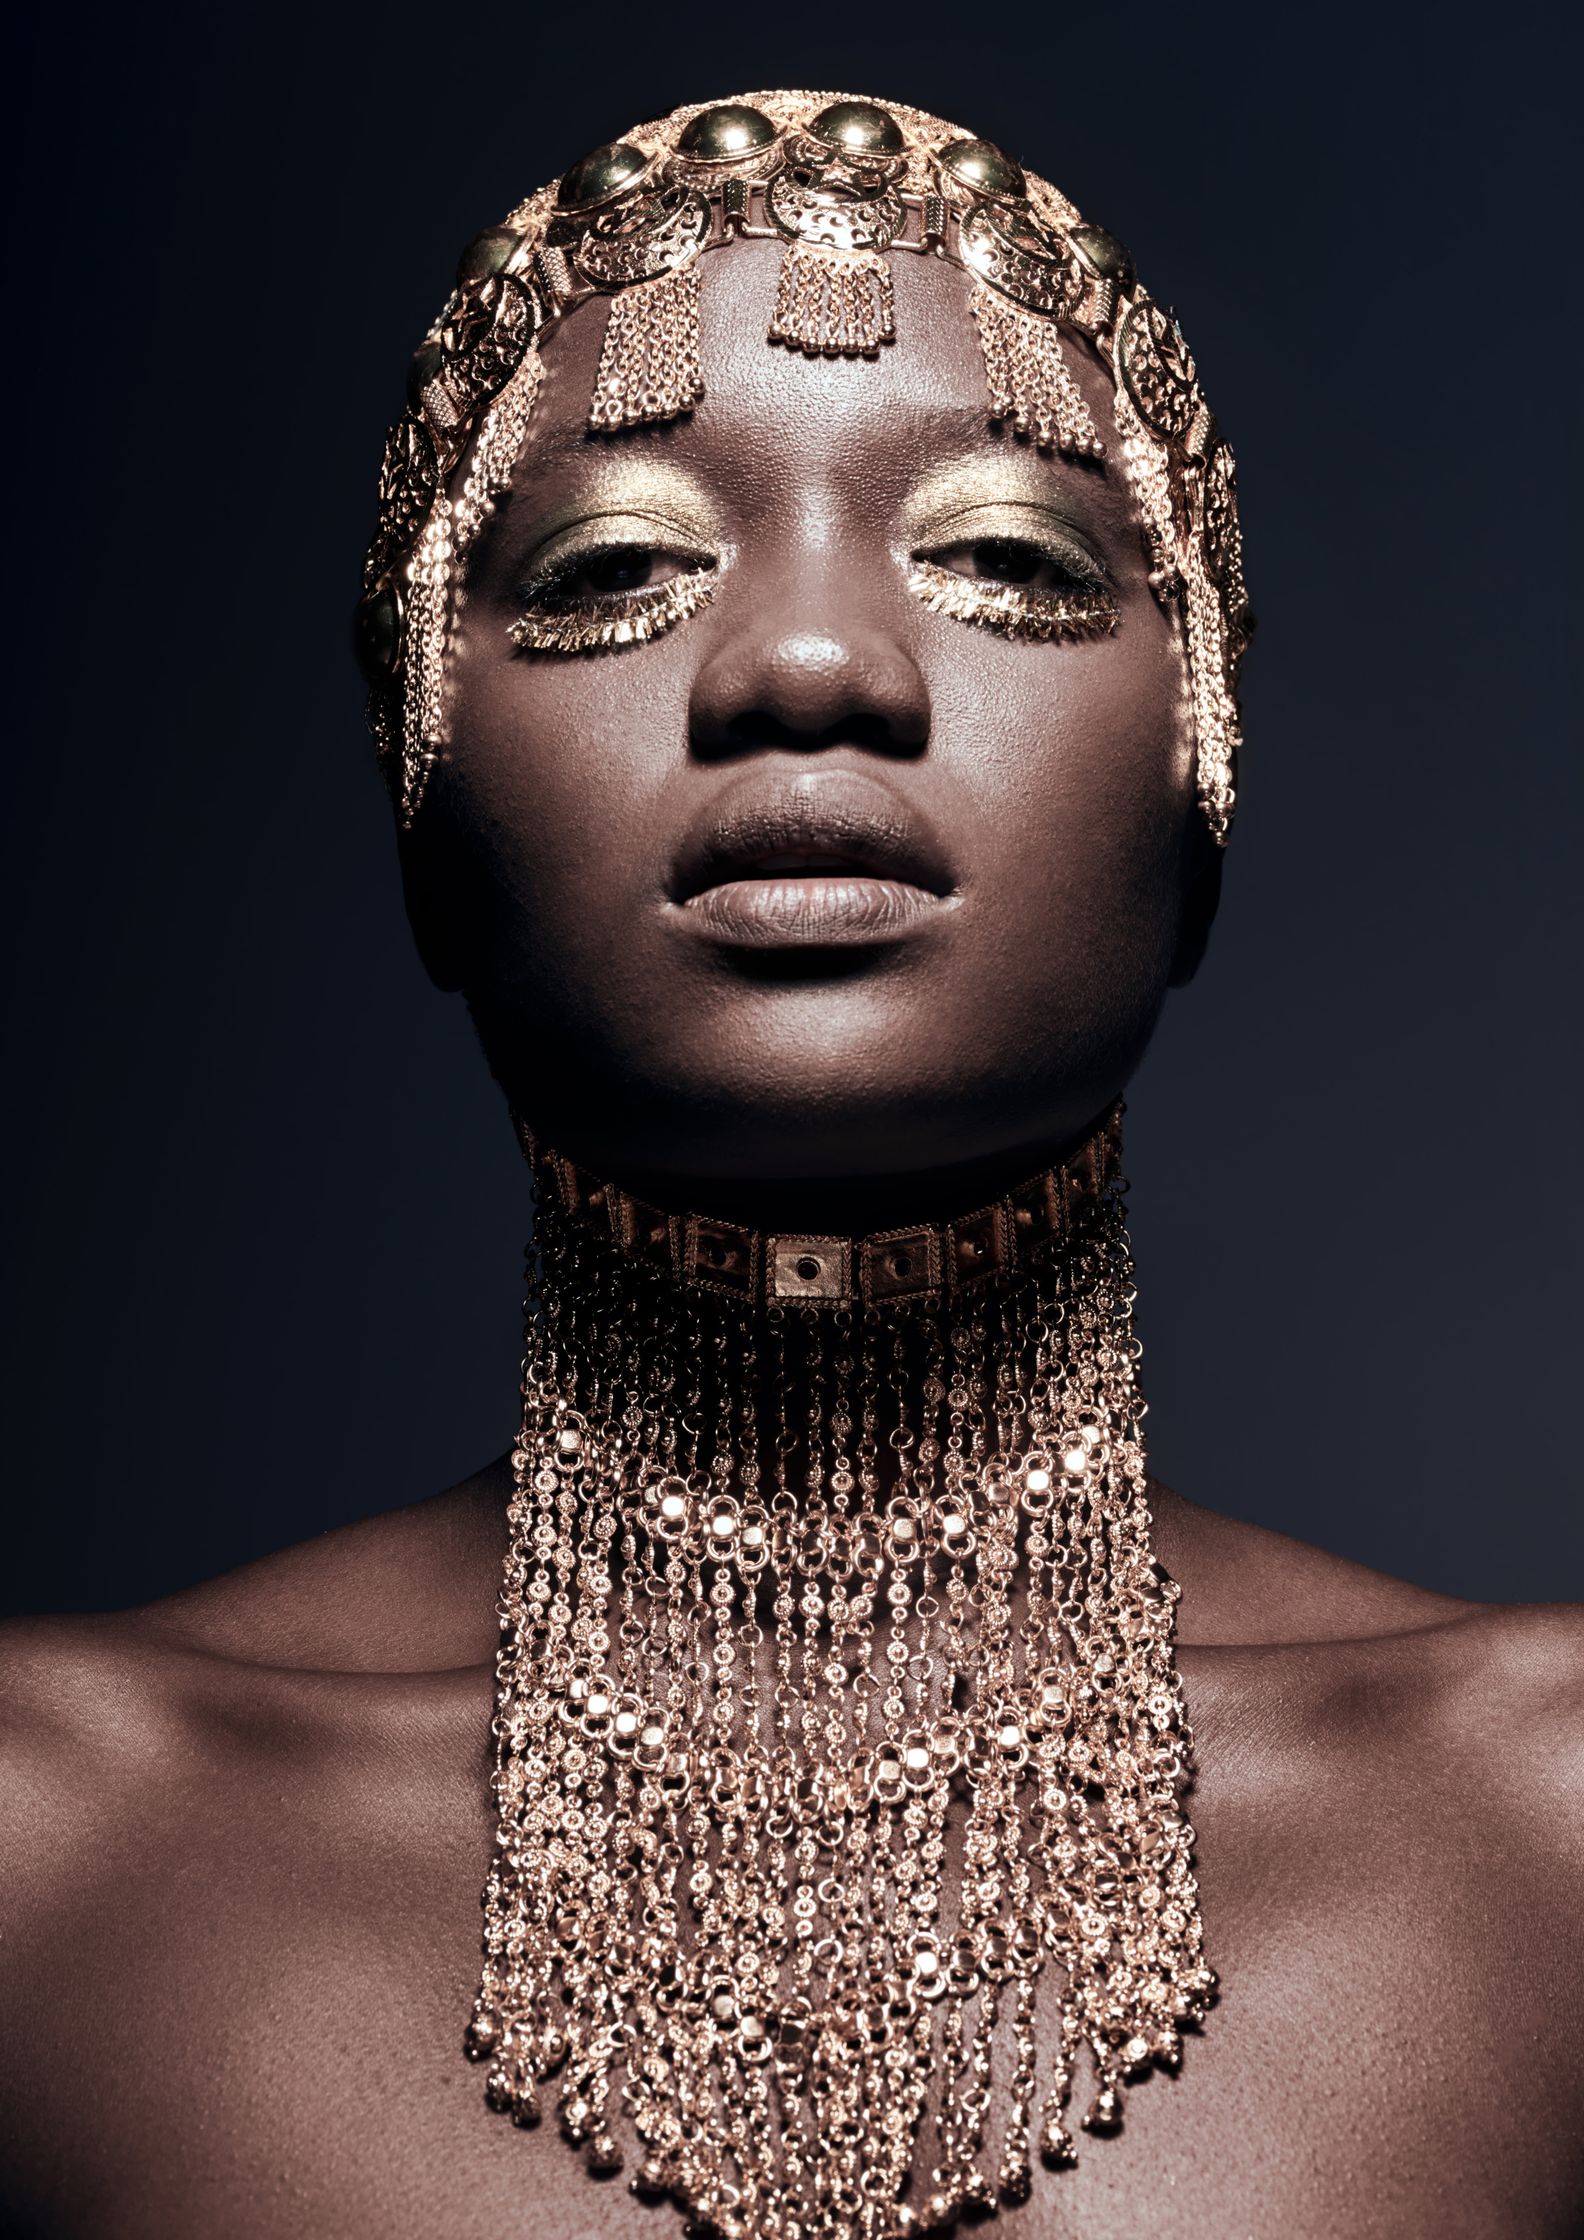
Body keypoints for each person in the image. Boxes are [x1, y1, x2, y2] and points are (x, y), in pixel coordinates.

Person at [1, 89, 1579, 2240]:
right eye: (615, 568)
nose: (810, 665)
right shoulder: (47, 1853)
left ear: (1207, 777)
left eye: (1009, 558)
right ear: (422, 807)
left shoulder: (1550, 1830)